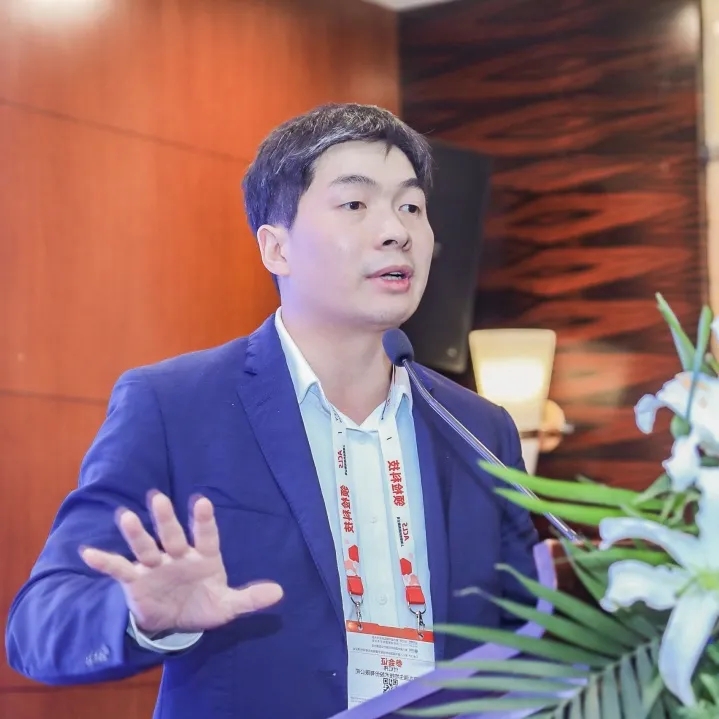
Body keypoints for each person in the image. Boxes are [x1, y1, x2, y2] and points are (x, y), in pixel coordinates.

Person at [6, 103, 539, 719]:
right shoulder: (176, 405)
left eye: (411, 207)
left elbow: (532, 638)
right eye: (355, 203)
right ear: (276, 247)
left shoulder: (478, 429)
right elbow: (37, 626)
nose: (396, 230)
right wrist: (143, 617)